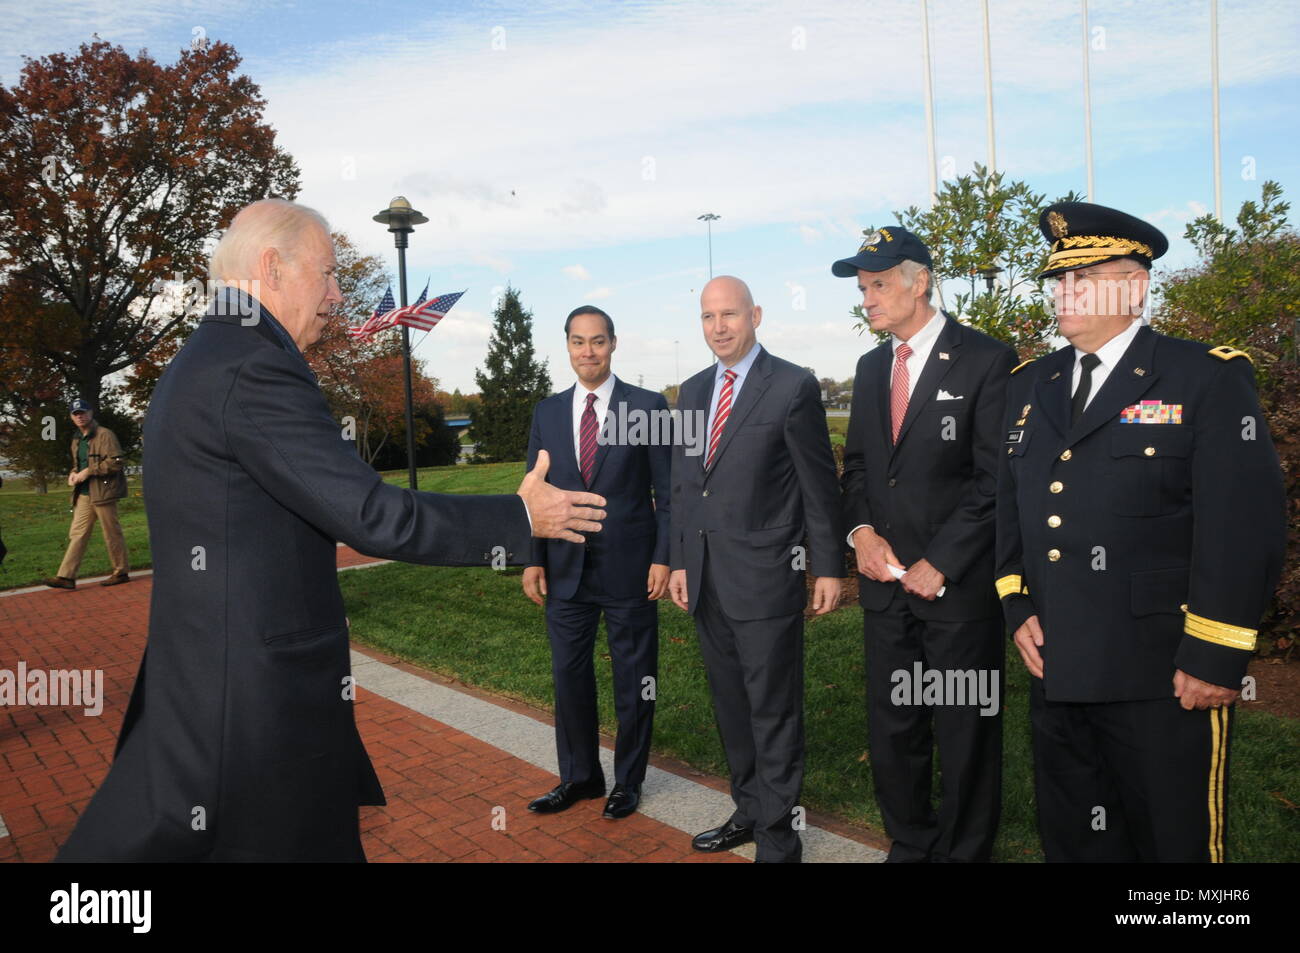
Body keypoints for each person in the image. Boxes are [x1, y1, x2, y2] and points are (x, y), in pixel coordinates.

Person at [55, 198, 606, 862]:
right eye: (328, 273)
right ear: (271, 266)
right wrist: (521, 517)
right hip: (257, 711)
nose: (339, 294)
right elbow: (369, 513)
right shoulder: (252, 366)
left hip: (220, 686)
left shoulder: (210, 354)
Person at [996, 201, 1286, 862]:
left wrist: (1214, 652)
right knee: (1075, 839)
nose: (1062, 295)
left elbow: (1242, 525)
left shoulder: (1204, 377)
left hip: (1163, 673)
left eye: (1083, 279)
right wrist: (1016, 604)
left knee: (1172, 844)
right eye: (1058, 281)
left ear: (1134, 286)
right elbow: (1007, 507)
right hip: (1057, 663)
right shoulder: (1029, 384)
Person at [835, 227, 1014, 862]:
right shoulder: (870, 365)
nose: (868, 299)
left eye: (878, 285)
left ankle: (965, 852)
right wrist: (859, 532)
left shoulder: (988, 360)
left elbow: (996, 479)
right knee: (895, 727)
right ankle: (909, 843)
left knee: (965, 731)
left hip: (957, 592)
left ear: (921, 281)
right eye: (863, 288)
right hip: (886, 593)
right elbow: (857, 468)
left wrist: (942, 561)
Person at [669, 276, 843, 863]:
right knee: (732, 709)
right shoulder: (691, 392)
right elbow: (685, 484)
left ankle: (778, 839)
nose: (719, 327)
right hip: (706, 578)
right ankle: (748, 810)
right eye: (708, 317)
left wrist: (826, 566)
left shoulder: (792, 386)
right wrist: (677, 560)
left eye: (730, 315)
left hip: (768, 576)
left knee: (773, 711)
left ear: (756, 315)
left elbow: (819, 486)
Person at [521, 306, 671, 820]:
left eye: (598, 341)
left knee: (635, 680)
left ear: (613, 344)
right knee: (569, 677)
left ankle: (629, 781)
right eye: (579, 342)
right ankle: (580, 777)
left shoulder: (648, 407)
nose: (589, 351)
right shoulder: (546, 412)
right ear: (567, 346)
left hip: (630, 568)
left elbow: (668, 493)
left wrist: (664, 557)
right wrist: (531, 559)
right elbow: (532, 495)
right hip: (565, 569)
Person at [42, 399, 131, 590]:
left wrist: (89, 471)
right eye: (75, 414)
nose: (79, 416)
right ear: (71, 417)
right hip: (83, 494)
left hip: (103, 492)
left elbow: (116, 462)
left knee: (111, 533)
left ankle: (121, 571)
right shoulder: (76, 439)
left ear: (91, 413)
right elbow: (79, 464)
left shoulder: (105, 435)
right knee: (77, 534)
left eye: (83, 412)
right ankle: (66, 577)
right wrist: (74, 473)